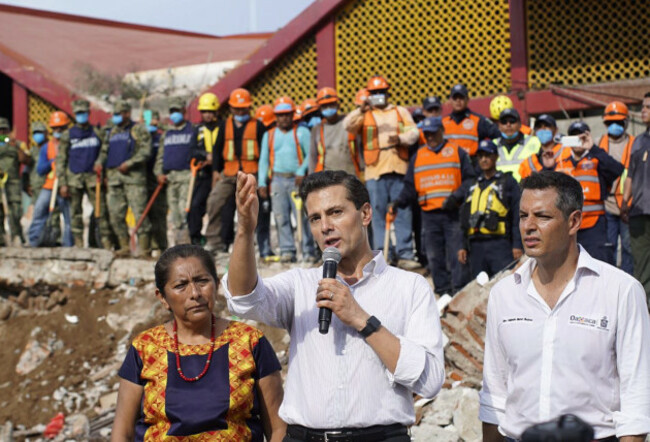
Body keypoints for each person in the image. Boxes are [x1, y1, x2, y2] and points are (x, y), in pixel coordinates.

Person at [225, 170, 445, 440]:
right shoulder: (300, 285)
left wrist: (362, 320)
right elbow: (242, 298)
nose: (325, 226)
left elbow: (431, 381)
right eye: (315, 218)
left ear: (365, 214)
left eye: (336, 212)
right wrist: (245, 230)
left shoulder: (409, 287)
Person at [480, 170, 650, 442]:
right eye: (523, 216)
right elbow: (494, 393)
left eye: (542, 216)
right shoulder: (504, 294)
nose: (528, 226)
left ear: (574, 221)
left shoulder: (621, 291)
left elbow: (637, 397)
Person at [111, 244, 285, 441]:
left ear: (217, 285)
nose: (194, 293)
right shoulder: (145, 347)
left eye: (202, 281)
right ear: (162, 297)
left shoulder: (250, 341)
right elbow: (122, 433)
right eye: (180, 285)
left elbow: (278, 429)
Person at [343, 75, 420, 269]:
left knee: (402, 210)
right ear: (369, 95)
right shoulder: (364, 114)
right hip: (375, 170)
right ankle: (382, 254)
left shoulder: (399, 111)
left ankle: (404, 253)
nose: (378, 96)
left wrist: (401, 139)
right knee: (375, 213)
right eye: (374, 93)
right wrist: (361, 109)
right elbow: (348, 126)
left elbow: (414, 133)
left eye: (381, 92)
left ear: (387, 93)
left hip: (397, 167)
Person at [391, 116, 474, 295]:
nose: (430, 137)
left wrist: (457, 196)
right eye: (427, 134)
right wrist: (399, 201)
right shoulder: (418, 156)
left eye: (433, 133)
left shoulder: (456, 152)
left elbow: (470, 180)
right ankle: (442, 292)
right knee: (434, 257)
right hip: (429, 217)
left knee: (456, 256)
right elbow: (410, 186)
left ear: (442, 131)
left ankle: (459, 291)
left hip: (453, 214)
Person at [206, 88, 266, 258]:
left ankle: (250, 242)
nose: (240, 111)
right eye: (237, 108)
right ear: (231, 108)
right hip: (229, 173)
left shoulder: (258, 126)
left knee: (249, 208)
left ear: (249, 108)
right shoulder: (224, 125)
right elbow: (217, 150)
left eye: (243, 108)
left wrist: (262, 178)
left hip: (250, 173)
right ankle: (215, 241)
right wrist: (216, 172)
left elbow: (265, 153)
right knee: (215, 201)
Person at [258, 96, 316, 263]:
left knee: (304, 217)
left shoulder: (302, 132)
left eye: (287, 114)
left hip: (297, 180)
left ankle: (308, 250)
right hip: (277, 180)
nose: (284, 118)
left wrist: (301, 171)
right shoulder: (269, 135)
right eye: (280, 115)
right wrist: (262, 182)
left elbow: (310, 155)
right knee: (281, 217)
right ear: (275, 116)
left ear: (292, 115)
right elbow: (263, 161)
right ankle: (287, 250)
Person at [556, 122, 624, 265]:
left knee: (599, 266)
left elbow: (617, 170)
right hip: (566, 227)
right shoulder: (560, 161)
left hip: (594, 227)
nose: (578, 139)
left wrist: (592, 148)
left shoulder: (597, 158)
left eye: (581, 136)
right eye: (574, 136)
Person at [458, 140, 522, 278]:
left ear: (496, 157)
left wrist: (517, 244)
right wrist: (462, 246)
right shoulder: (472, 184)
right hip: (476, 245)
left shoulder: (507, 182)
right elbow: (464, 217)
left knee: (505, 283)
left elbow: (517, 215)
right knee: (479, 286)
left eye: (487, 155)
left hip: (500, 243)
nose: (484, 159)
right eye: (480, 156)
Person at [95, 100, 152, 257]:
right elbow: (104, 151)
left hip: (134, 179)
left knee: (140, 213)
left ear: (127, 113)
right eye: (115, 114)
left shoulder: (138, 129)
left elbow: (146, 151)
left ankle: (144, 249)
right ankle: (124, 246)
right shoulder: (112, 132)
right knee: (115, 214)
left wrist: (130, 163)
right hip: (114, 179)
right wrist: (99, 163)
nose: (116, 117)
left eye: (119, 114)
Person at [55, 99, 112, 249]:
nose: (81, 115)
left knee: (101, 211)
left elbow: (105, 150)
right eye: (78, 113)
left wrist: (100, 161)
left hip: (94, 178)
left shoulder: (97, 132)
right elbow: (61, 160)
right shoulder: (68, 135)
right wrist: (62, 183)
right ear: (75, 114)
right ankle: (79, 243)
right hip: (74, 178)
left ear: (88, 113)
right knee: (75, 213)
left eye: (84, 112)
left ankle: (105, 242)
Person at [154, 97, 198, 246]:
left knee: (184, 210)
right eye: (172, 111)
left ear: (184, 111)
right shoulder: (167, 134)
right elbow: (160, 156)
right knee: (174, 214)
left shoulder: (192, 130)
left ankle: (187, 245)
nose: (174, 114)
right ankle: (179, 245)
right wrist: (159, 173)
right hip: (170, 178)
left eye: (177, 111)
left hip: (187, 176)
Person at [598, 101, 634, 275]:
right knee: (609, 246)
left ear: (625, 122)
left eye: (619, 122)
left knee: (628, 248)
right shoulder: (599, 144)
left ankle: (628, 280)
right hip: (606, 204)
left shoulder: (635, 143)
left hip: (629, 205)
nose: (614, 126)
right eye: (611, 122)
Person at [28, 112, 72, 247]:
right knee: (39, 211)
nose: (58, 131)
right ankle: (34, 241)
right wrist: (52, 163)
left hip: (66, 186)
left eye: (61, 128)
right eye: (55, 128)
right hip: (49, 186)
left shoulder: (72, 144)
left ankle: (68, 244)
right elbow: (40, 169)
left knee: (69, 217)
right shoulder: (47, 147)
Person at [621, 91, 650, 301]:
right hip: (639, 211)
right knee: (641, 265)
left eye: (648, 107)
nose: (643, 111)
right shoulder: (638, 141)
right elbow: (630, 174)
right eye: (643, 107)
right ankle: (645, 308)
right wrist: (624, 202)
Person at [308, 87, 361, 177]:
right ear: (320, 109)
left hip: (350, 174)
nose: (328, 108)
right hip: (327, 177)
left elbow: (360, 147)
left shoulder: (349, 123)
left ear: (337, 105)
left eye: (331, 105)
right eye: (324, 106)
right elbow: (313, 157)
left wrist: (363, 170)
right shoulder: (317, 129)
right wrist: (311, 177)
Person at [189, 92, 219, 246]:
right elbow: (192, 150)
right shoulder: (197, 130)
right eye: (204, 112)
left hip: (220, 172)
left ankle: (220, 239)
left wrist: (215, 157)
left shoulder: (222, 127)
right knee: (195, 206)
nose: (207, 115)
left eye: (210, 111)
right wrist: (204, 156)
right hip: (203, 174)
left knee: (218, 206)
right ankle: (195, 237)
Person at [442, 84, 500, 159]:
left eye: (461, 98)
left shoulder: (478, 120)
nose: (458, 101)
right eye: (455, 98)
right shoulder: (443, 122)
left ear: (467, 99)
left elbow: (498, 135)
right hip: (450, 165)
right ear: (450, 100)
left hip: (472, 165)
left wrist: (489, 151)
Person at [0, 117, 31, 246]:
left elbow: (27, 160)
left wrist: (14, 146)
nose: (2, 133)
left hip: (13, 181)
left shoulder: (18, 144)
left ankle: (17, 235)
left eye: (4, 130)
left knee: (16, 210)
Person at [494, 108, 540, 182]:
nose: (508, 125)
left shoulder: (535, 142)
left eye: (512, 121)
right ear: (499, 126)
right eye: (504, 122)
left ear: (520, 124)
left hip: (525, 190)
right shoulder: (492, 145)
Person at [145, 111, 168, 254]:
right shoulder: (141, 138)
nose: (152, 123)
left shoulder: (161, 138)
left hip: (158, 181)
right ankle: (148, 247)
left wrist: (160, 126)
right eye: (149, 120)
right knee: (145, 215)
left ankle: (161, 246)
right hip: (143, 180)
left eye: (155, 120)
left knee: (159, 216)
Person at [518, 114, 562, 180]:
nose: (543, 129)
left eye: (547, 126)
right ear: (535, 132)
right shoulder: (529, 161)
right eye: (539, 126)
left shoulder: (567, 151)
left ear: (556, 130)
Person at [29, 121, 48, 203]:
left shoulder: (51, 147)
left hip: (49, 187)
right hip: (35, 188)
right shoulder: (32, 151)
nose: (37, 135)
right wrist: (27, 184)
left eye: (39, 132)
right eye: (35, 132)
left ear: (46, 133)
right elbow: (27, 169)